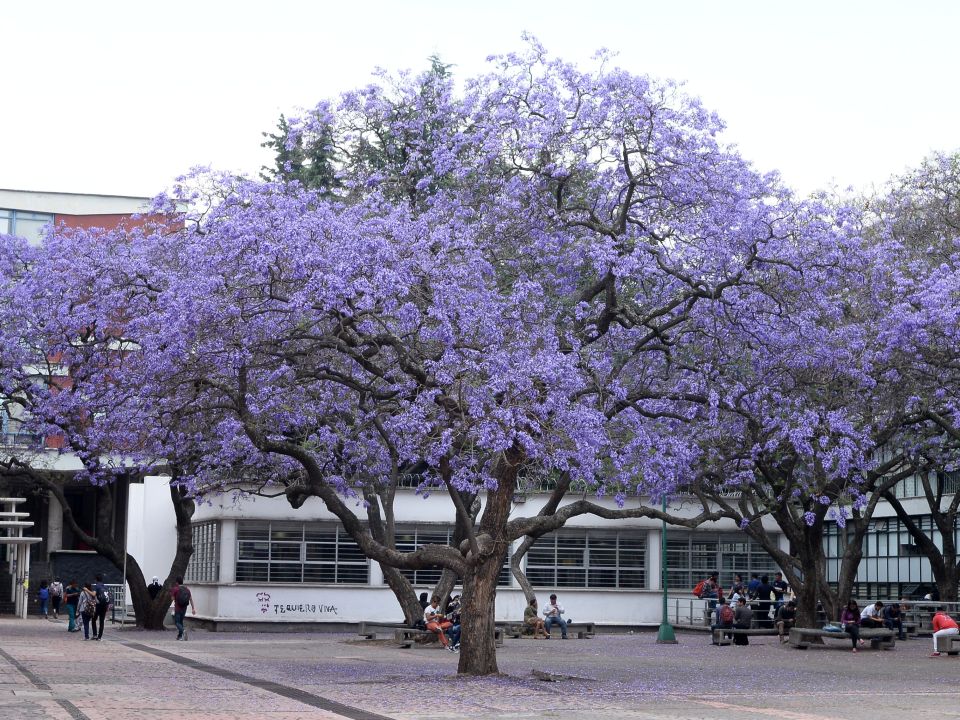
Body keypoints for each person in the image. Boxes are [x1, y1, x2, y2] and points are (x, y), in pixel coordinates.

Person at [170, 576, 196, 641]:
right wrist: (193, 608)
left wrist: (174, 597)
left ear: (177, 582)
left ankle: (183, 630)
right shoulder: (187, 589)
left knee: (177, 622)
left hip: (178, 608)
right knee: (181, 622)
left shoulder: (175, 589)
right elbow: (190, 599)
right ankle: (180, 636)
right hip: (184, 608)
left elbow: (172, 598)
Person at [92, 574, 109, 640]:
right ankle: (99, 637)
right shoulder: (105, 586)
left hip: (98, 605)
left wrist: (87, 590)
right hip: (104, 605)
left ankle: (95, 635)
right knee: (101, 621)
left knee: (94, 619)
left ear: (96, 579)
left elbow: (93, 594)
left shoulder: (96, 586)